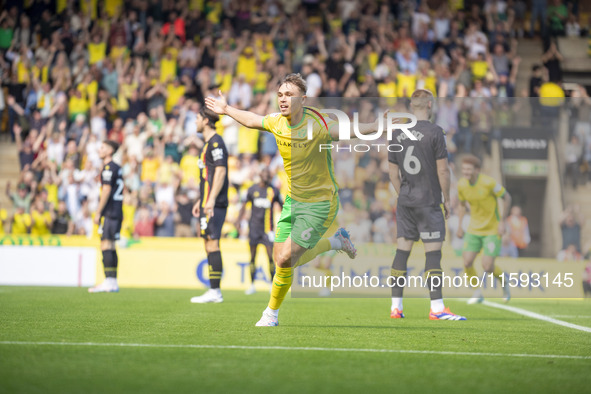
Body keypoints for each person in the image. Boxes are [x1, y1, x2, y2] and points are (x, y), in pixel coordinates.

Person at [206, 73, 382, 326]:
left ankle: (271, 314)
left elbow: (350, 130)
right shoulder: (277, 122)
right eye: (280, 95)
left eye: (289, 95)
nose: (283, 99)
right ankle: (336, 242)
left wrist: (380, 125)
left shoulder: (317, 125)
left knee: (283, 259)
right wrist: (226, 109)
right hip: (293, 201)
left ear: (303, 99)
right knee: (282, 258)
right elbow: (252, 120)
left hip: (320, 203)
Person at [388, 89, 466, 321]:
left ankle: (396, 307)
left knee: (402, 251)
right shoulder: (435, 132)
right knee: (433, 255)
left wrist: (403, 194)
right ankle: (437, 308)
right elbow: (443, 169)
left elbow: (392, 173)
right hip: (429, 201)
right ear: (430, 105)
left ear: (412, 106)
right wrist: (447, 199)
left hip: (406, 201)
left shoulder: (397, 133)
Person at [456, 155, 512, 304]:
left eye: (469, 169)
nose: (466, 172)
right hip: (473, 229)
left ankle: (504, 281)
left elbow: (507, 197)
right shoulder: (461, 185)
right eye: (463, 169)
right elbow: (461, 205)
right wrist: (460, 225)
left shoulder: (489, 183)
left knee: (487, 266)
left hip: (492, 230)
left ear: (477, 170)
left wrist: (502, 222)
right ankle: (477, 292)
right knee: (467, 262)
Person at [189, 108, 230, 304]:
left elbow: (220, 172)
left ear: (205, 121)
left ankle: (216, 291)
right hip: (207, 201)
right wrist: (201, 199)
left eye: (197, 118)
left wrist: (212, 198)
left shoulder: (216, 143)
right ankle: (213, 290)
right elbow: (208, 176)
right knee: (207, 243)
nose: (195, 121)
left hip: (216, 203)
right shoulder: (207, 145)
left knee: (213, 243)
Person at [236, 167, 283, 295]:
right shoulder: (252, 189)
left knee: (270, 258)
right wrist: (238, 221)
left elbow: (283, 206)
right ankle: (251, 285)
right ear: (260, 174)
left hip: (268, 230)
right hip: (254, 229)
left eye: (269, 174)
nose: (267, 175)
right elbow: (243, 205)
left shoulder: (274, 190)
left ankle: (272, 284)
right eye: (265, 173)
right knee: (252, 257)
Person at [89, 140, 123, 293]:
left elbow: (107, 190)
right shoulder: (116, 167)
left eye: (102, 147)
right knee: (110, 245)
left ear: (110, 151)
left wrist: (98, 212)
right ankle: (112, 281)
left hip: (110, 212)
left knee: (106, 245)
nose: (99, 149)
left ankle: (109, 281)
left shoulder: (109, 167)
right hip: (116, 211)